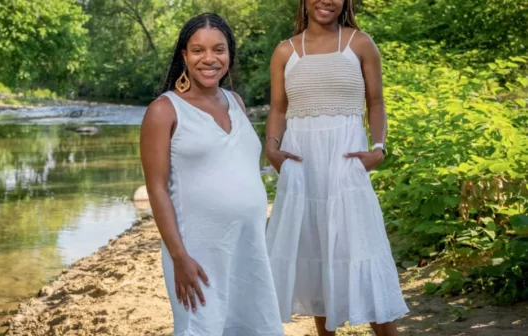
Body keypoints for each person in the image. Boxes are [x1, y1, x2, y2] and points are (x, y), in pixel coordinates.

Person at [264, 1, 409, 335]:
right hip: (303, 169)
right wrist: (271, 146)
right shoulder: (285, 51)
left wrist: (379, 148)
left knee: (363, 249)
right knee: (316, 255)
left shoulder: (360, 43)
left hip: (347, 166)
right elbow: (277, 108)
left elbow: (376, 102)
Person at [139, 12, 284, 336]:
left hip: (249, 248)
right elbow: (157, 190)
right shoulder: (164, 111)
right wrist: (179, 257)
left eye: (218, 49)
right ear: (184, 56)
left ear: (229, 54)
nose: (209, 59)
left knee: (254, 326)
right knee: (203, 328)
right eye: (198, 50)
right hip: (197, 252)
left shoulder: (237, 102)